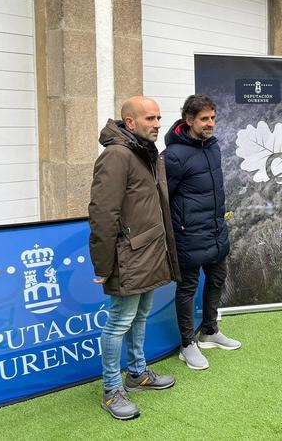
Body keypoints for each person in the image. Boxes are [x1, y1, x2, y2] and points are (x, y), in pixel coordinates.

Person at [88, 96, 180, 420]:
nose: (157, 124)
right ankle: (112, 391)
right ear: (130, 122)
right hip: (128, 258)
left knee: (140, 315)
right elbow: (102, 214)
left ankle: (137, 372)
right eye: (150, 119)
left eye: (158, 118)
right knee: (118, 323)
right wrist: (102, 265)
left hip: (151, 252)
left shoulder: (145, 153)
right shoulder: (116, 156)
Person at [164, 94, 240, 371]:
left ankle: (209, 330)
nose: (210, 124)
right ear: (189, 120)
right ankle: (187, 344)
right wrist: (175, 231)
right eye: (204, 119)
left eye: (213, 118)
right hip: (188, 234)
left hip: (215, 228)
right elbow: (164, 199)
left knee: (218, 277)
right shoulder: (173, 156)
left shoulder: (213, 148)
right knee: (188, 287)